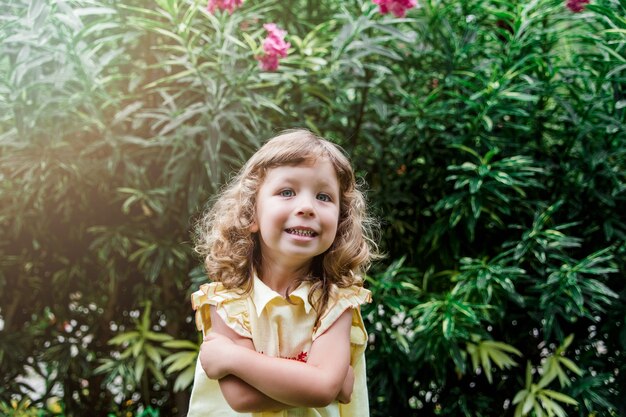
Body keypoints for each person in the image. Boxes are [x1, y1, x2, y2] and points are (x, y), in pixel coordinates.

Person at [187, 129, 379, 417]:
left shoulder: (336, 302)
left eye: (324, 196)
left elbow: (323, 387)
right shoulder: (227, 299)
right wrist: (321, 381)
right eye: (287, 192)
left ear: (340, 221)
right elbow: (241, 397)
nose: (306, 207)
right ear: (251, 214)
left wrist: (234, 357)